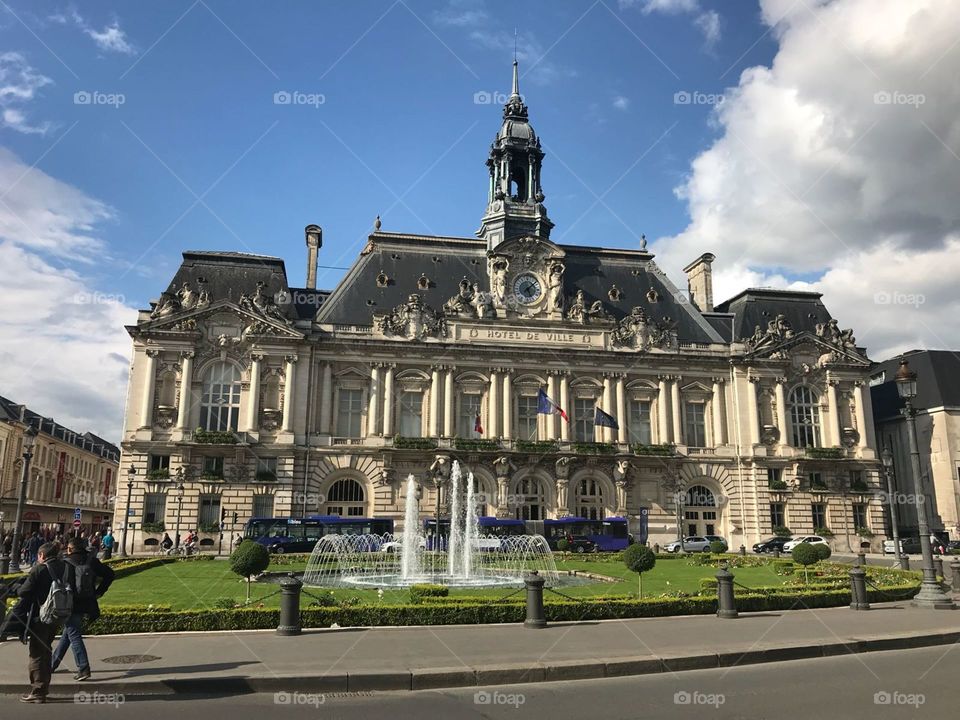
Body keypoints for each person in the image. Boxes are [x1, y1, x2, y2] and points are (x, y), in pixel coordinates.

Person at [51, 537, 115, 682]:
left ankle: (83, 668)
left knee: (73, 634)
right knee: (68, 633)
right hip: (88, 603)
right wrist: (99, 592)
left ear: (70, 549)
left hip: (70, 604)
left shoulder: (64, 563)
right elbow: (110, 574)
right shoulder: (91, 561)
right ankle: (52, 664)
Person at [17, 541, 73, 703]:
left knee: (36, 653)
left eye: (38, 556)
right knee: (46, 649)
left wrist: (18, 588)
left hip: (40, 616)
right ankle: (44, 687)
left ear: (42, 555)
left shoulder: (39, 569)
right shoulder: (66, 568)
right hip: (58, 614)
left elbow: (25, 592)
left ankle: (38, 691)